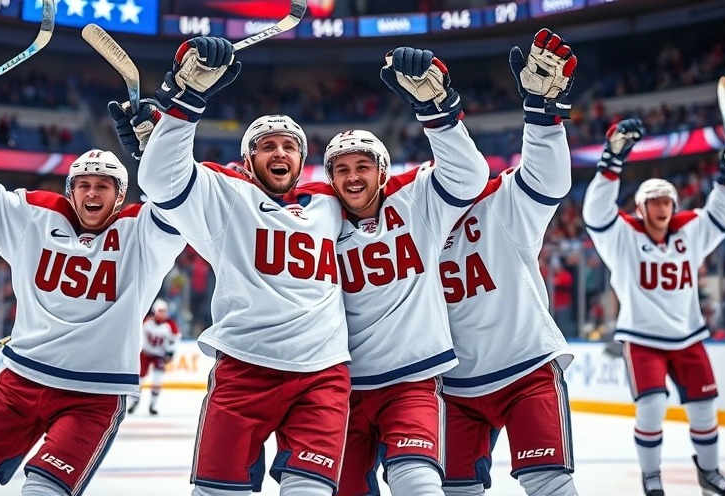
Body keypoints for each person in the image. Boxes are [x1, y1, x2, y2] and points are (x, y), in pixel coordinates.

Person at [0, 83, 187, 496]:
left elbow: (179, 204)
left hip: (94, 395)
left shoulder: (143, 233)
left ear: (120, 197)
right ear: (70, 191)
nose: (92, 192)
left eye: (104, 186)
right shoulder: (34, 216)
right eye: (84, 184)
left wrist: (158, 151)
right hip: (20, 381)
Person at [126, 36, 351, 496]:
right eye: (267, 146)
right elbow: (160, 181)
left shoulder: (331, 202)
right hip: (244, 371)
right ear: (248, 161)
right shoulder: (227, 193)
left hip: (322, 374)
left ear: (303, 160)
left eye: (289, 146)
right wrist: (183, 103)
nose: (280, 153)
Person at [324, 46, 489, 495]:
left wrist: (436, 112)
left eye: (363, 166)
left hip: (412, 378)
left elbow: (471, 177)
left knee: (417, 483)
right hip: (341, 386)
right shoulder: (317, 218)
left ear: (382, 172)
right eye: (341, 170)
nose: (352, 177)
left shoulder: (416, 199)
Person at [438, 28, 580, 496]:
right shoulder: (415, 217)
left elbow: (548, 181)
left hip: (526, 368)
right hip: (452, 385)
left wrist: (542, 118)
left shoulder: (501, 201)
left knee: (550, 486)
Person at [582, 118, 725, 496]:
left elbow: (722, 216)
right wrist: (611, 161)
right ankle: (651, 475)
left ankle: (709, 473)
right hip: (642, 338)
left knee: (705, 407)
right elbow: (595, 214)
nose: (663, 206)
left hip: (688, 335)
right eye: (654, 201)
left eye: (668, 200)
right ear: (640, 208)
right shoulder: (622, 236)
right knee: (652, 407)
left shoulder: (688, 231)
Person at [128, 298, 181, 415]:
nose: (163, 314)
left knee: (157, 381)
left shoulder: (170, 325)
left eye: (165, 311)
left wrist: (170, 352)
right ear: (155, 311)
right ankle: (135, 401)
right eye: (160, 311)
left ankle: (152, 404)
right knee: (139, 380)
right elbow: (136, 335)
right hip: (145, 353)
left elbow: (175, 339)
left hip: (159, 355)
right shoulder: (146, 323)